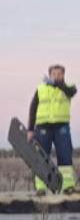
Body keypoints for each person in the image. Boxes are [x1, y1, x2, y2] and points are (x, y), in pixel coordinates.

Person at [27, 64, 77, 194]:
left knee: (65, 156)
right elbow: (33, 109)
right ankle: (41, 188)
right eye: (54, 74)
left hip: (61, 127)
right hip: (43, 127)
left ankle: (68, 187)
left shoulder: (68, 88)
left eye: (59, 74)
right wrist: (30, 130)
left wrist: (56, 83)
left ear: (63, 75)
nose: (56, 76)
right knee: (41, 157)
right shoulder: (41, 89)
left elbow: (72, 92)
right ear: (49, 75)